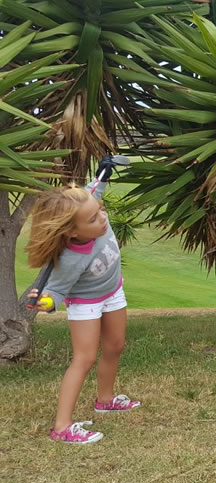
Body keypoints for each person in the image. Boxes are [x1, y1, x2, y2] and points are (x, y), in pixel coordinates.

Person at [26, 161, 140, 444]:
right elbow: (56, 291)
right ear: (71, 233)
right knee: (85, 358)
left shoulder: (90, 208)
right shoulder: (70, 260)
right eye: (92, 219)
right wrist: (47, 302)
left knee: (115, 346)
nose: (101, 218)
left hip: (113, 291)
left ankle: (105, 399)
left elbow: (94, 190)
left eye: (100, 211)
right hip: (86, 303)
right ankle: (62, 426)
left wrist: (105, 171)